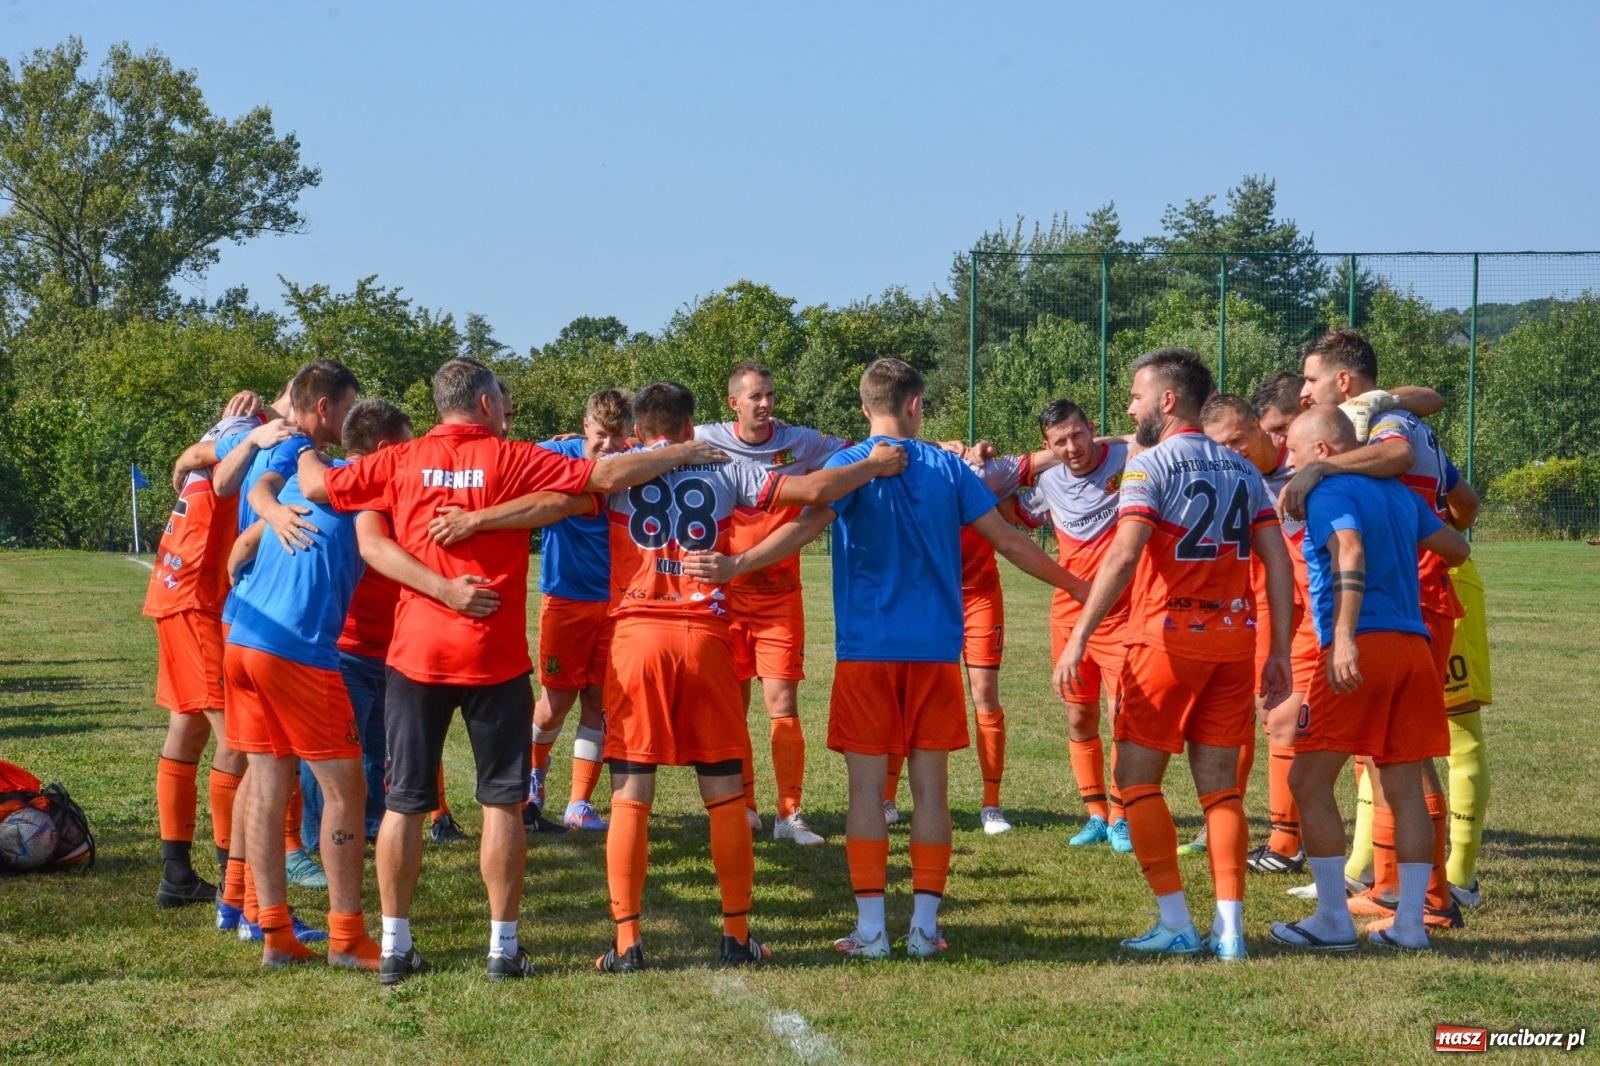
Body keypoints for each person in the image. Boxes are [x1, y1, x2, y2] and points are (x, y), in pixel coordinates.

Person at [433, 380, 906, 972]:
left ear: (640, 431)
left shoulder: (617, 471)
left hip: (636, 638)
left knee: (631, 794)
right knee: (725, 794)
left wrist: (476, 521)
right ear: (690, 427)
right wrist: (873, 462)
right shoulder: (725, 469)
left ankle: (627, 942)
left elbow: (550, 504)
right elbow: (811, 491)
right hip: (705, 634)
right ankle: (737, 937)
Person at [294, 359, 729, 984]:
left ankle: (394, 946)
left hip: (414, 653)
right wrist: (682, 451)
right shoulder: (510, 457)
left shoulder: (402, 458)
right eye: (501, 397)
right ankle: (502, 948)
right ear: (484, 405)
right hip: (492, 656)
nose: (506, 407)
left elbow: (315, 486)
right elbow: (602, 477)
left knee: (405, 803)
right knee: (502, 802)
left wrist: (288, 439)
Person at [687, 358, 1087, 961]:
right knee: (932, 790)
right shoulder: (948, 467)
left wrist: (737, 565)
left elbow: (797, 529)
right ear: (916, 405)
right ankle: (924, 929)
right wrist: (1078, 587)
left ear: (864, 407)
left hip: (867, 654)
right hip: (933, 653)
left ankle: (872, 930)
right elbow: (1009, 540)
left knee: (867, 792)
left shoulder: (847, 466)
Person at [1054, 348, 1294, 961]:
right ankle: (1232, 929)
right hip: (1234, 646)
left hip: (1164, 642)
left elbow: (1125, 553)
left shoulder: (1150, 465)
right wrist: (1280, 652)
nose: (1129, 407)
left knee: (1135, 782)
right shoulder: (1244, 470)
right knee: (1221, 793)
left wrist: (1080, 634)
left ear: (1167, 400)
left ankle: (1176, 921)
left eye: (1136, 396)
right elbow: (1276, 565)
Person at [221, 399, 421, 970]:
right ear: (386, 451)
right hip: (298, 652)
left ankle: (276, 935)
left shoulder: (305, 484)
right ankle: (345, 937)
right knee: (346, 791)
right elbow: (378, 549)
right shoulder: (359, 491)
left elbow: (243, 546)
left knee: (267, 781)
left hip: (245, 639)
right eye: (404, 448)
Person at [1281, 329, 1465, 932]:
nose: (1289, 461)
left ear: (1323, 451)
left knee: (1307, 779)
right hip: (1415, 644)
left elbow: (1350, 553)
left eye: (1296, 450)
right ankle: (1411, 924)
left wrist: (1345, 637)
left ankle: (1332, 917)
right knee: (1403, 781)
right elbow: (1458, 546)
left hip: (1360, 645)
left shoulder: (1331, 485)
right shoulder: (1397, 495)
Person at [693, 363, 849, 845]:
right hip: (727, 597)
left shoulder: (801, 443)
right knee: (732, 707)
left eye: (770, 396)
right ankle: (744, 806)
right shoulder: (704, 439)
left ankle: (790, 815)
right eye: (755, 397)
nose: (766, 404)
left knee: (783, 705)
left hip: (780, 598)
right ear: (733, 404)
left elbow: (862, 450)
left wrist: (940, 449)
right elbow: (649, 445)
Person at [145, 390, 279, 910]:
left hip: (175, 589)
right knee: (238, 739)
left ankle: (177, 874)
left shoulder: (221, 436)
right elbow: (207, 460)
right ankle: (232, 876)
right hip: (195, 597)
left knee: (189, 722)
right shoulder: (240, 440)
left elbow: (194, 457)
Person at [1025, 399, 1135, 852]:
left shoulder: (1129, 459)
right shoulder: (1045, 480)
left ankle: (1122, 815)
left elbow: (1156, 436)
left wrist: (1117, 438)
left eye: (1078, 435)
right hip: (1069, 612)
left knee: (1122, 716)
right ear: (1046, 446)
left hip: (1125, 612)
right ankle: (1095, 815)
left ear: (1093, 428)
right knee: (1079, 713)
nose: (1072, 448)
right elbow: (1004, 499)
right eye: (1060, 442)